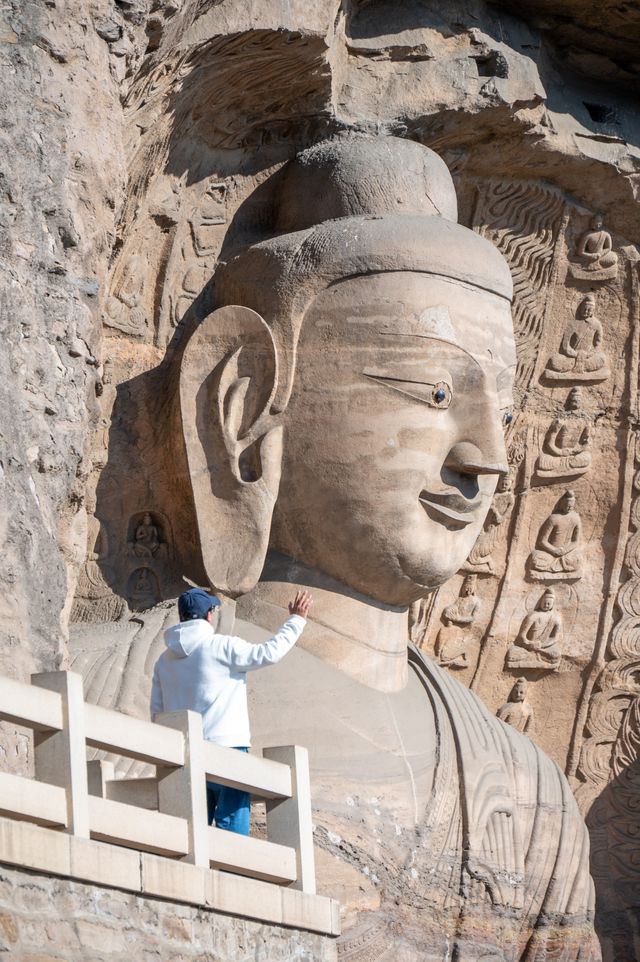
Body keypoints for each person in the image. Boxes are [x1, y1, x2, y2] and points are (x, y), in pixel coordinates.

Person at [150, 585, 312, 835]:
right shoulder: (221, 646)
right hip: (229, 750)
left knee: (191, 833)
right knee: (233, 833)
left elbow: (157, 714)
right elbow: (268, 653)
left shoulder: (163, 661)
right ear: (209, 616)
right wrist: (296, 620)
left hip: (186, 754)